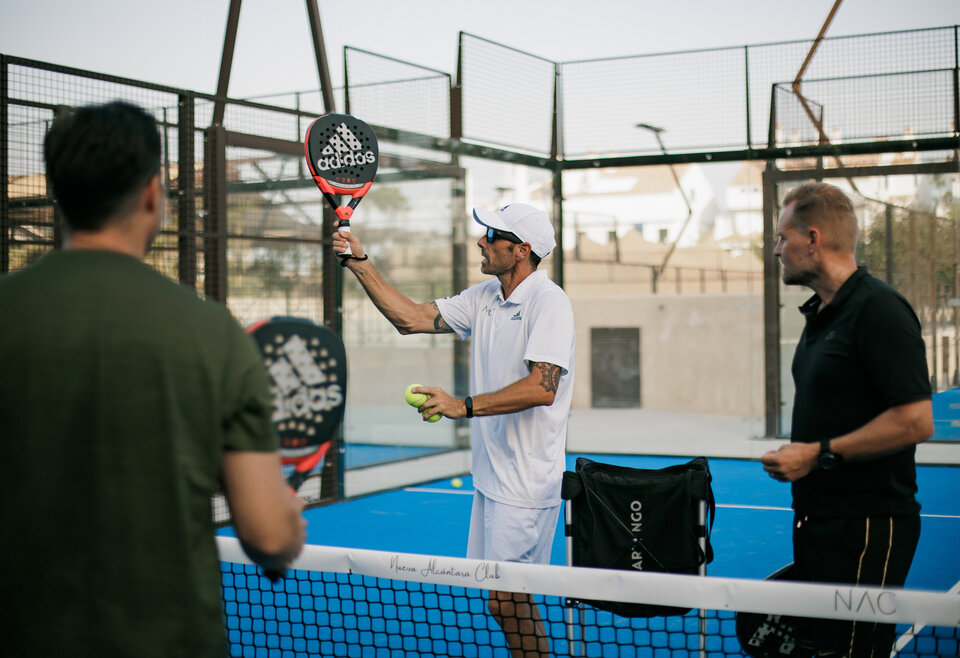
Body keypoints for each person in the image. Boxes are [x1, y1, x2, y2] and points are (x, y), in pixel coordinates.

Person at [0, 101, 306, 657]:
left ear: (59, 194)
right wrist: (289, 519)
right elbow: (267, 536)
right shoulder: (212, 333)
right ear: (150, 193)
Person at [333, 203, 575, 658]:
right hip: (491, 480)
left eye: (491, 235)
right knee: (505, 600)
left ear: (520, 250)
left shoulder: (550, 302)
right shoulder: (485, 296)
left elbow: (543, 386)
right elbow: (411, 318)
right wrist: (359, 264)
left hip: (526, 485)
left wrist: (461, 406)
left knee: (507, 598)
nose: (480, 241)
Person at [761, 182, 933, 657]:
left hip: (868, 526)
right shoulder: (821, 313)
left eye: (782, 238)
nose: (777, 250)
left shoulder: (879, 310)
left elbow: (916, 421)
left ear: (813, 239)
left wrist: (817, 454)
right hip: (817, 520)